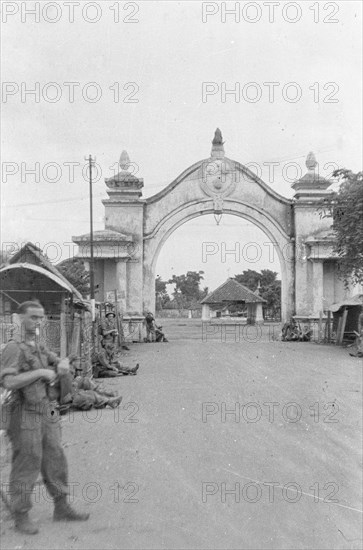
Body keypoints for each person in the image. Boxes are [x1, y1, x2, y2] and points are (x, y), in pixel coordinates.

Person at [0, 301, 90, 535]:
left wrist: (62, 364)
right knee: (27, 461)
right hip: (23, 411)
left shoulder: (38, 346)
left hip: (46, 408)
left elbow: (56, 360)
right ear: (20, 318)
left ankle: (61, 507)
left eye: (40, 317)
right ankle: (21, 515)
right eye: (33, 317)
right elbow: (8, 382)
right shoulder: (13, 348)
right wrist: (40, 372)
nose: (38, 322)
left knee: (54, 456)